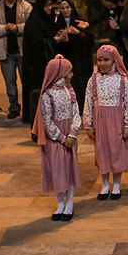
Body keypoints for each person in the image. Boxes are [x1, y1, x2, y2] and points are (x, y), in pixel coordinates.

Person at [82, 45, 128, 201]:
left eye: (106, 60)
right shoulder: (94, 80)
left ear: (114, 60)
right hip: (100, 122)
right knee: (102, 152)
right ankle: (105, 185)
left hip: (117, 121)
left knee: (116, 151)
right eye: (100, 60)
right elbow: (88, 102)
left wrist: (127, 124)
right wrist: (88, 124)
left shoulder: (122, 80)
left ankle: (116, 184)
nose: (102, 63)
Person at [31, 55, 80, 221]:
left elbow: (76, 112)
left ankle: (70, 202)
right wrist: (62, 138)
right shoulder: (48, 95)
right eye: (69, 71)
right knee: (57, 169)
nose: (72, 74)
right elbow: (46, 120)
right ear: (61, 73)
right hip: (56, 138)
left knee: (69, 168)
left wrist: (72, 134)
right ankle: (60, 203)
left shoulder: (69, 91)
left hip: (69, 134)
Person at [21, 0, 59, 124]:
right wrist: (54, 40)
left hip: (46, 63)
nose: (49, 8)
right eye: (46, 5)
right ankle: (34, 116)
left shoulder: (48, 19)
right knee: (36, 89)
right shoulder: (33, 22)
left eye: (50, 5)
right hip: (34, 64)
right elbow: (36, 42)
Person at [82, 0, 128, 67]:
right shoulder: (115, 9)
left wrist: (117, 27)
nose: (109, 8)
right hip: (122, 46)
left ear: (119, 2)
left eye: (111, 6)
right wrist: (87, 23)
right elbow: (102, 15)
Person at [52, 0, 93, 112]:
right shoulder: (58, 24)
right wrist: (62, 39)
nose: (65, 10)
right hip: (66, 59)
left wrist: (77, 33)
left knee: (80, 82)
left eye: (67, 8)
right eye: (63, 8)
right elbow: (55, 43)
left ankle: (81, 107)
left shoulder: (80, 22)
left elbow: (89, 40)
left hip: (80, 59)